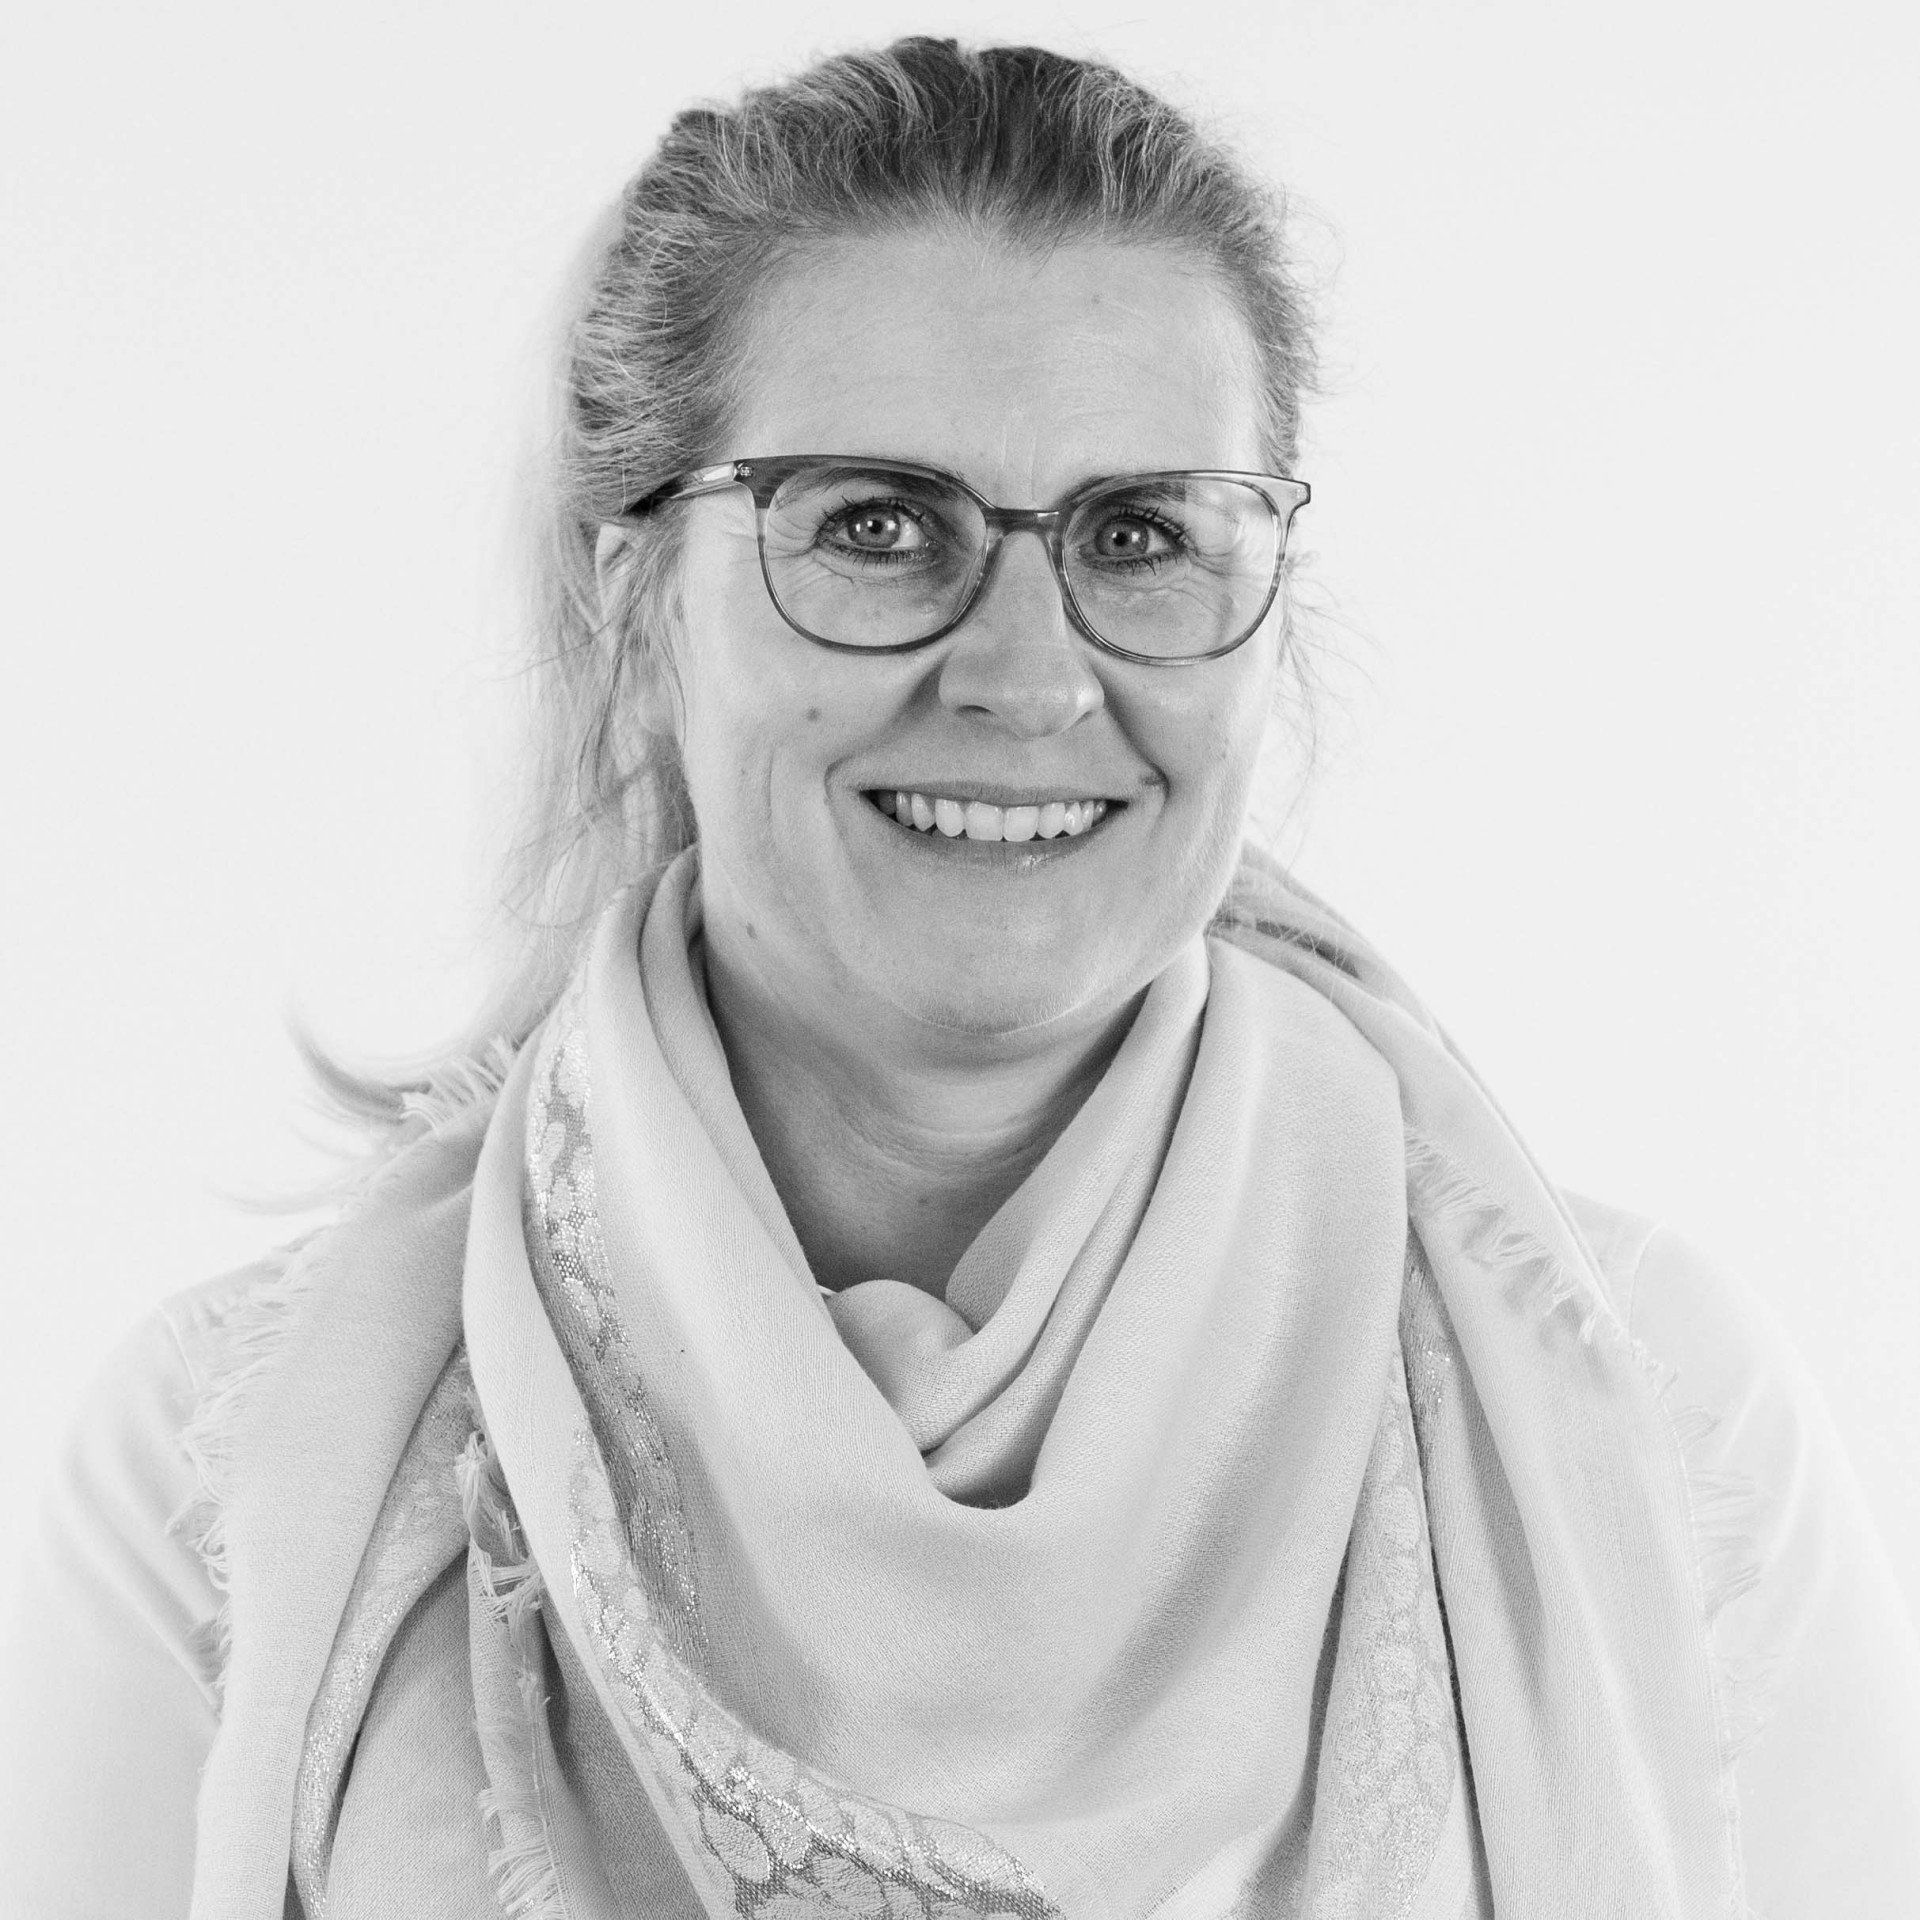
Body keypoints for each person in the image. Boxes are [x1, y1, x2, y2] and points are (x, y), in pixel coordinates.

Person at [5, 35, 1917, 1920]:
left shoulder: (1657, 1428)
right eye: (876, 526)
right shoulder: (236, 1484)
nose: (1026, 675)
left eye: (1141, 536)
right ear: (637, 608)